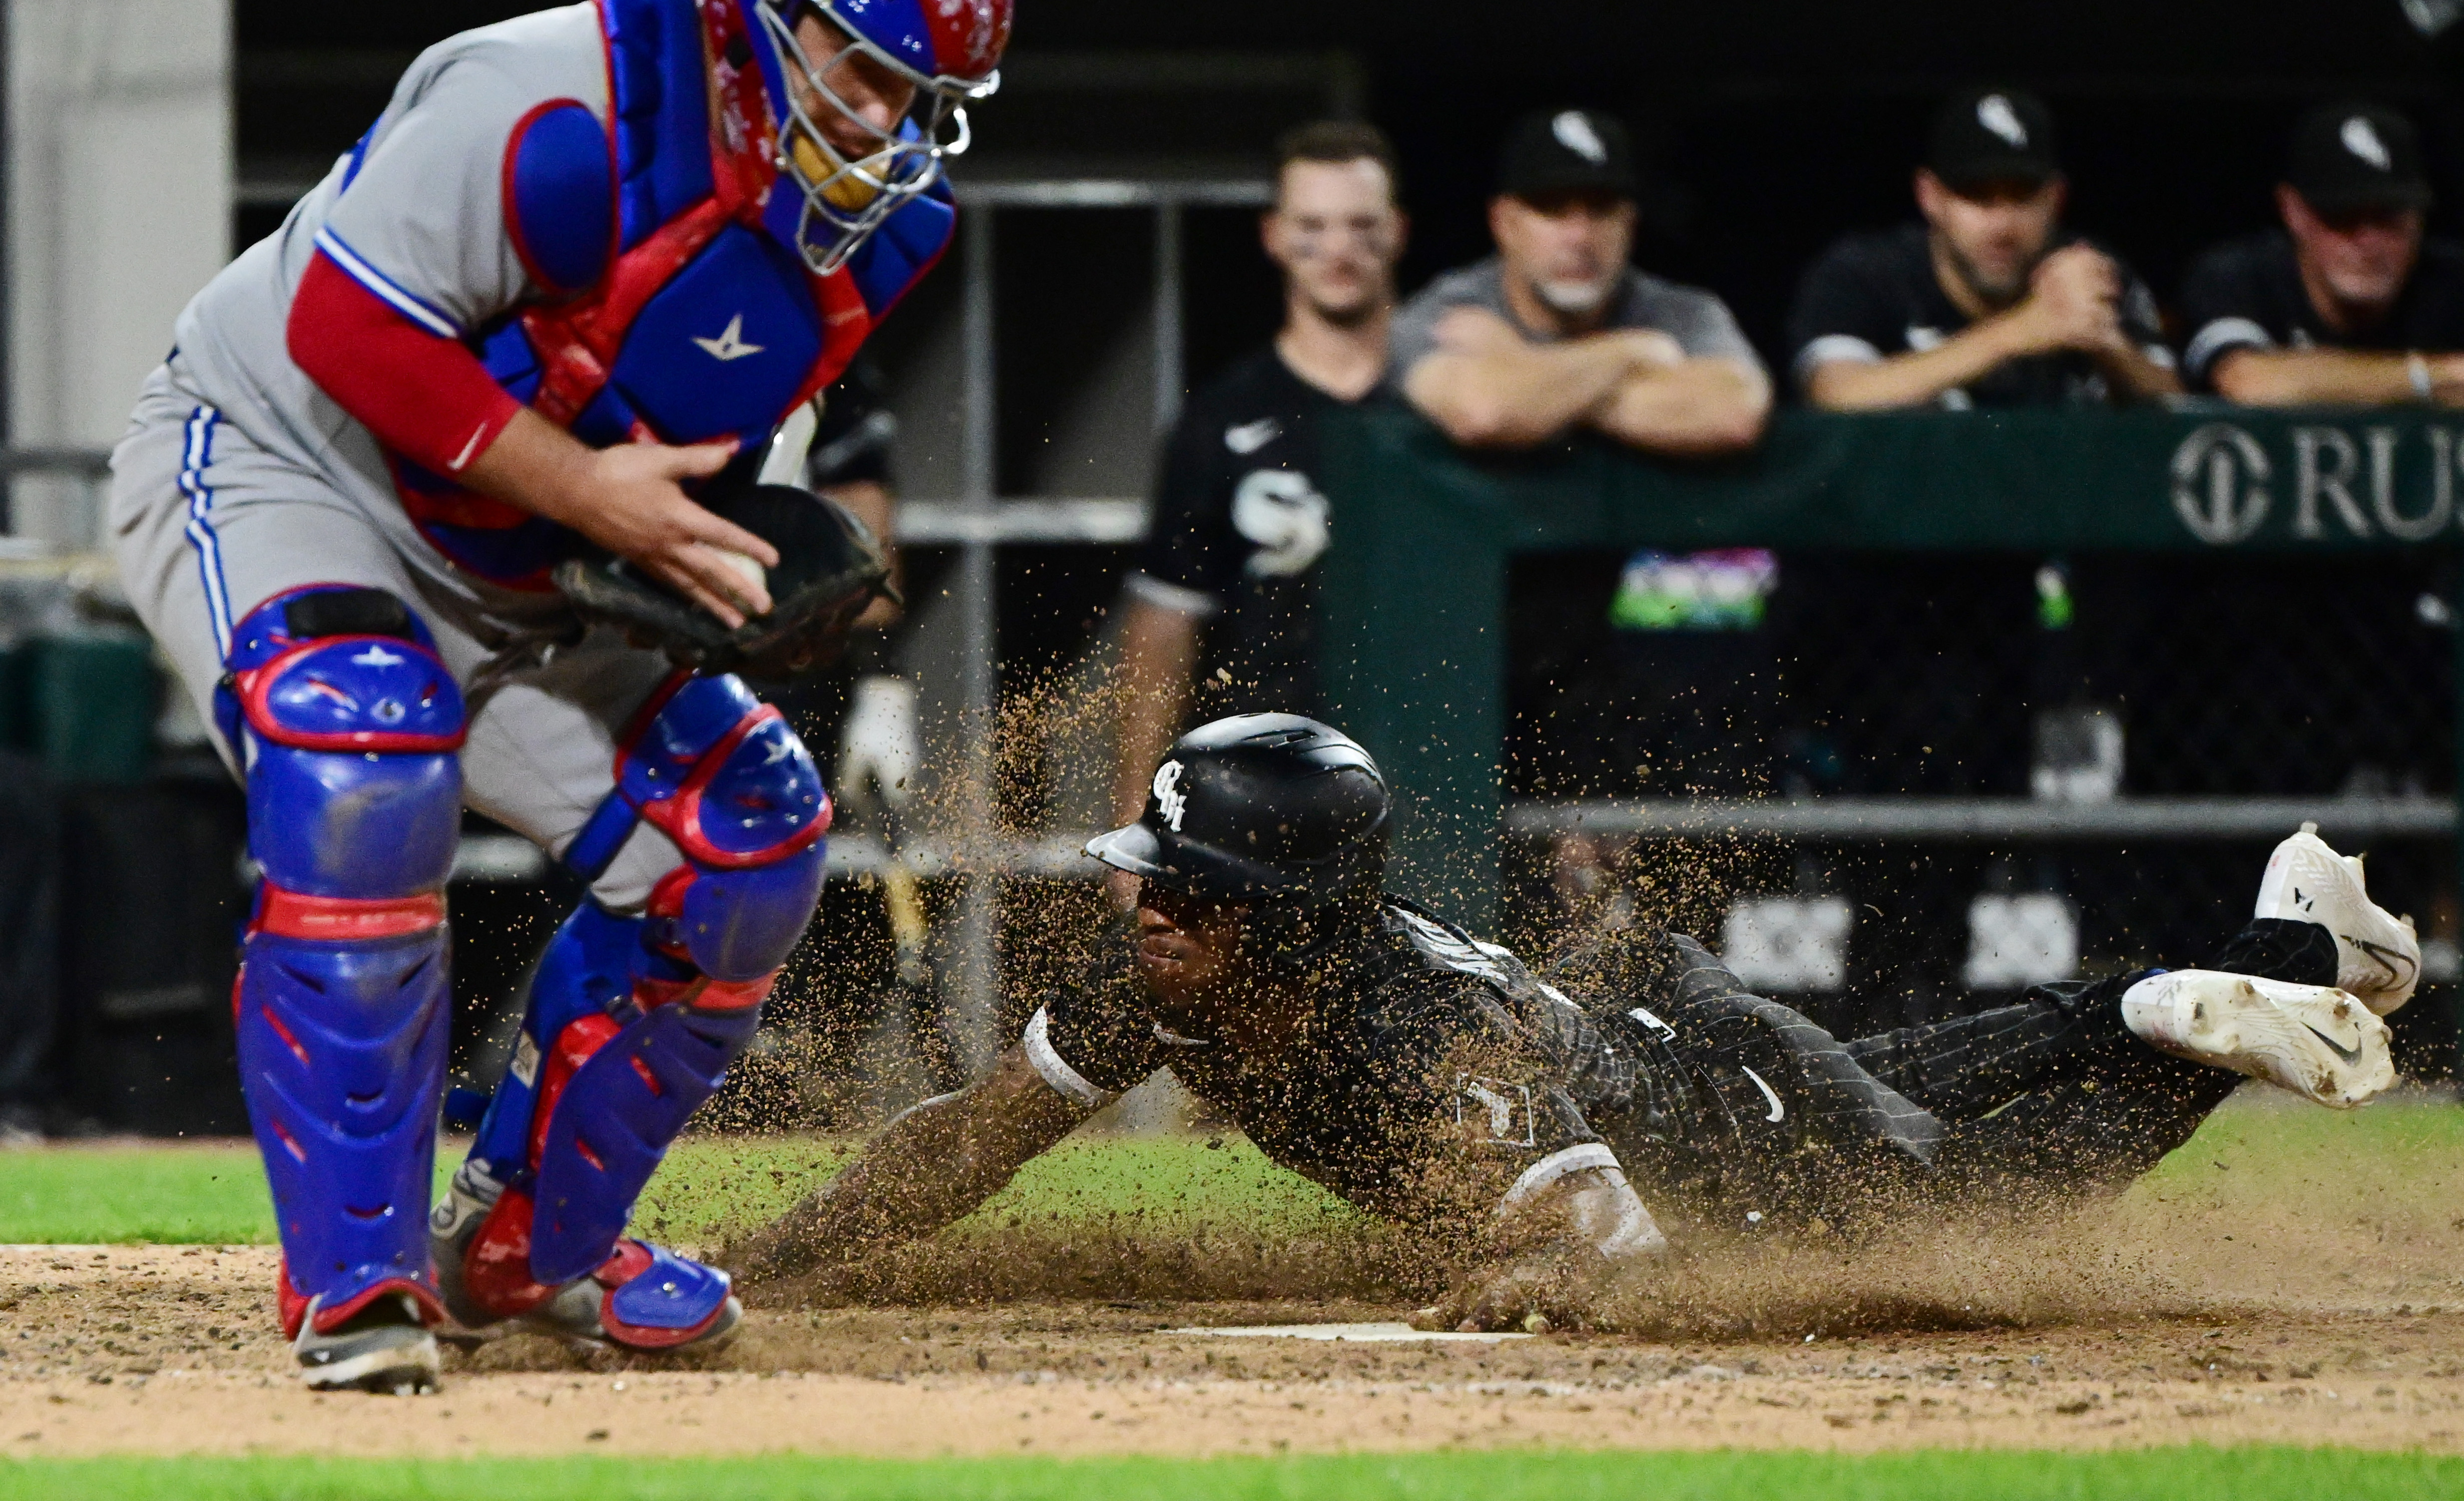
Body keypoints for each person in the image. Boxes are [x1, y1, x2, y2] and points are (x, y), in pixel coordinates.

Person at [105, 0, 1010, 1393]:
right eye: (866, 72)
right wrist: (596, 496)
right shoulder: (543, 101)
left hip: (525, 543)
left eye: (929, 97)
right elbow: (345, 328)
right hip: (281, 459)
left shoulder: (878, 235)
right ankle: (356, 1285)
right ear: (756, 15)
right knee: (362, 751)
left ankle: (528, 1251)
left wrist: (724, 584)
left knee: (750, 833)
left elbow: (698, 433)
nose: (891, 128)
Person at [732, 716, 2414, 1330]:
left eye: (1191, 881)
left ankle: (2188, 1018)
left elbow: (1598, 1234)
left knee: (1963, 1214)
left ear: (1289, 905)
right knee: (1903, 1088)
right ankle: (2274, 936)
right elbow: (964, 1136)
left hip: (1714, 1127)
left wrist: (1529, 1285)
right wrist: (776, 1256)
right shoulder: (1163, 979)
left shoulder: (1415, 1035)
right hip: (1697, 1044)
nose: (1145, 899)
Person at [1109, 122, 1406, 899]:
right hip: (1273, 794)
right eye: (1311, 227)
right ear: (1273, 237)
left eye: (1361, 226)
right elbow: (1162, 635)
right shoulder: (1221, 420)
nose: (1337, 249)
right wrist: (1141, 821)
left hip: (1447, 775)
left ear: (1397, 233)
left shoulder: (1456, 407)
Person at [1390, 108, 1770, 454]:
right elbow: (1483, 412)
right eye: (1552, 211)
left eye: (1600, 211)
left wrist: (1522, 372)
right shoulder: (1453, 308)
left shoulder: (1684, 312)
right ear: (1504, 224)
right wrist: (1634, 352)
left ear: (1629, 224)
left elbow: (1733, 414)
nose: (1579, 237)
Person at [1790, 87, 2176, 411]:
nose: (2001, 225)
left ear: (2057, 199)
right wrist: (2018, 331)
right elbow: (1834, 395)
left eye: (2022, 197)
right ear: (1930, 197)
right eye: (1976, 197)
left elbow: (2183, 415)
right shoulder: (1867, 272)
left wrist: (2108, 344)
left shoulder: (2090, 272)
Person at [2179, 100, 2464, 404]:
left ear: (2419, 217)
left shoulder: (2452, 283)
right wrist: (2435, 376)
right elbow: (2250, 383)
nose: (2368, 242)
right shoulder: (2239, 278)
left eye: (2387, 218)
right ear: (2292, 211)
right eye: (2342, 218)